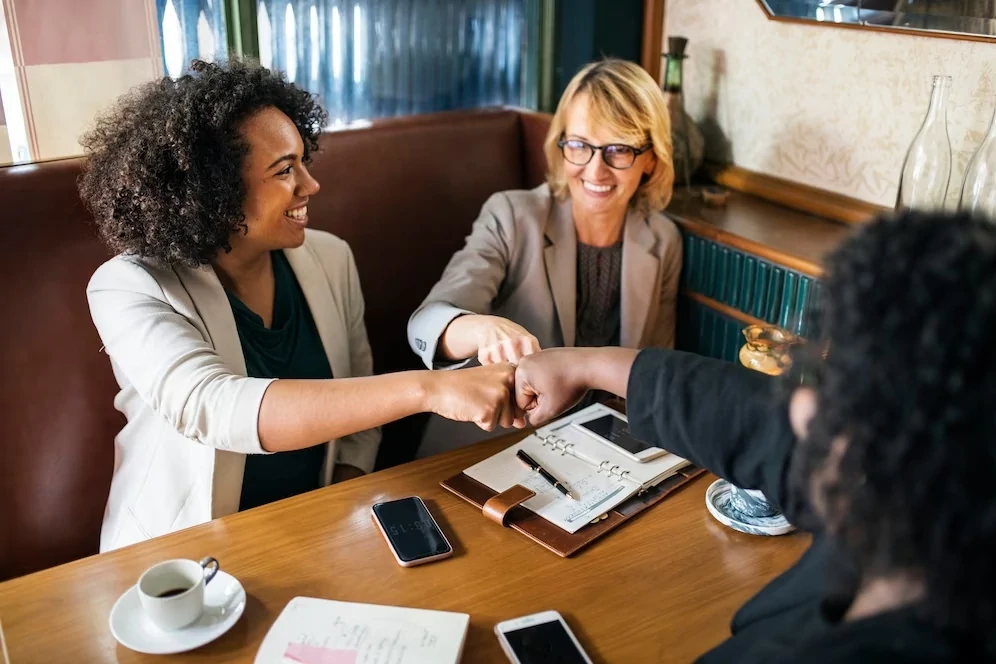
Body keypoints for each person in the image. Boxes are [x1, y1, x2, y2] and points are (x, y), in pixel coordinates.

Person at [512, 211, 996, 662]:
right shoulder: (921, 513)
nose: (803, 408)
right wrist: (585, 364)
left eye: (835, 390)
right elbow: (753, 418)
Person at [81, 60, 519, 552]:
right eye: (285, 170)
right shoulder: (129, 286)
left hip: (315, 531)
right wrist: (431, 388)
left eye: (303, 162)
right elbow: (212, 406)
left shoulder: (330, 258)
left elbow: (359, 408)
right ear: (214, 191)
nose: (310, 185)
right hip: (181, 557)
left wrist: (339, 506)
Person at [408, 58, 681, 370]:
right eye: (579, 145)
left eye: (618, 149)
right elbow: (426, 324)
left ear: (651, 159)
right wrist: (481, 329)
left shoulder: (663, 240)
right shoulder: (511, 217)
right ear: (561, 142)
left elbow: (657, 369)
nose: (595, 170)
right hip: (502, 417)